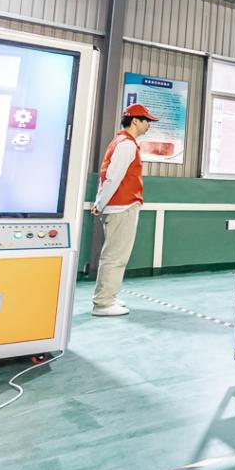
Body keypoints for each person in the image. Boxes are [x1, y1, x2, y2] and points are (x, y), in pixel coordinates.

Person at [90, 103, 158, 316]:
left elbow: (107, 176)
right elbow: (112, 178)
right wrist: (100, 204)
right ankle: (103, 303)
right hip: (122, 207)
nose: (148, 125)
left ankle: (108, 297)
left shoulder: (121, 142)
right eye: (146, 121)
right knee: (115, 257)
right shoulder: (126, 145)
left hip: (119, 206)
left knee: (115, 255)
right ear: (135, 121)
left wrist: (100, 202)